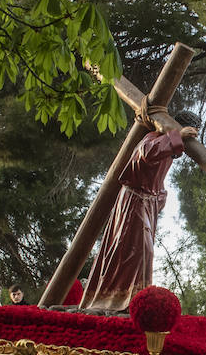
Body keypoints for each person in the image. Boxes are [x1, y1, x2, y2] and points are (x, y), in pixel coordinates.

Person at [80, 116, 194, 311]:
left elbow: (156, 179)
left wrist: (159, 196)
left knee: (144, 254)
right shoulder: (153, 137)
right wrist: (176, 137)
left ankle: (131, 299)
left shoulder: (168, 153)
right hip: (135, 200)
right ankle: (116, 299)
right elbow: (146, 153)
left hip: (147, 203)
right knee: (135, 249)